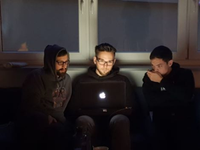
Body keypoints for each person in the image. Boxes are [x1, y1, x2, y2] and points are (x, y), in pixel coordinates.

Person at [67, 43, 134, 150]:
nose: (105, 65)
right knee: (83, 120)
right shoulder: (82, 81)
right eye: (101, 61)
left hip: (114, 119)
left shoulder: (123, 81)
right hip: (90, 119)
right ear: (95, 60)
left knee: (121, 120)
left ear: (114, 61)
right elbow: (72, 109)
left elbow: (131, 107)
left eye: (109, 62)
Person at [15, 44, 73, 150]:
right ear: (50, 62)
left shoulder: (67, 79)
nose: (64, 66)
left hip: (59, 119)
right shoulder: (36, 77)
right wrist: (47, 117)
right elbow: (31, 105)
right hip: (40, 119)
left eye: (66, 62)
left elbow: (63, 106)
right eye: (60, 62)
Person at [142, 45, 196, 150]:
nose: (155, 70)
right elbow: (151, 102)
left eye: (159, 66)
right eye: (153, 66)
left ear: (170, 63)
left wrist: (162, 82)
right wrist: (174, 96)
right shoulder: (149, 77)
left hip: (182, 119)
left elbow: (186, 97)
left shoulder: (185, 75)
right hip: (161, 119)